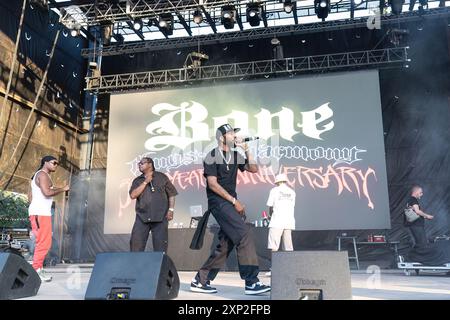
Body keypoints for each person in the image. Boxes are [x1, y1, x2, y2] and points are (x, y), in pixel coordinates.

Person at [190, 124, 271, 295]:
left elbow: (254, 169)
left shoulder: (235, 155)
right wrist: (235, 201)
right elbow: (212, 184)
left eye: (235, 133)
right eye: (232, 133)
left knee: (227, 243)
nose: (235, 136)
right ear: (222, 137)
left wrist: (247, 150)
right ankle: (251, 282)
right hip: (218, 202)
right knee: (244, 233)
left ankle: (201, 279)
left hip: (229, 203)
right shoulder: (212, 155)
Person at [28, 155, 69, 282]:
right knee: (43, 243)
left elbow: (35, 194)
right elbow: (47, 193)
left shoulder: (41, 175)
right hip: (40, 213)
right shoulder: (42, 175)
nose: (56, 165)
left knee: (44, 242)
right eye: (53, 162)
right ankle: (36, 270)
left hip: (41, 213)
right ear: (46, 162)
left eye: (57, 163)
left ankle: (38, 268)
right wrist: (63, 189)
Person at [129, 157, 178, 252]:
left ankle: (160, 266)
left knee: (160, 248)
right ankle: (135, 266)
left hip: (160, 217)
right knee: (136, 246)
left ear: (150, 164)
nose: (139, 165)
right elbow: (133, 195)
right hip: (142, 218)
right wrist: (145, 182)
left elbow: (171, 194)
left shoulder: (162, 177)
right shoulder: (137, 180)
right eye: (138, 163)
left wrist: (171, 210)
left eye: (142, 163)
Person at [265, 173, 296, 276]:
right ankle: (290, 268)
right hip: (289, 221)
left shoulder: (274, 191)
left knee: (274, 246)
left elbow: (270, 206)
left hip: (276, 221)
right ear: (285, 181)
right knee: (288, 246)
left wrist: (270, 216)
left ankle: (274, 269)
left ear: (277, 182)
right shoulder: (292, 192)